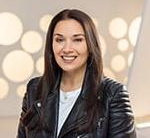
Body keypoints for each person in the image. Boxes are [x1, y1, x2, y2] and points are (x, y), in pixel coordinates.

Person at [17, 9, 136, 138]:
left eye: (77, 40)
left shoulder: (113, 94)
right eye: (59, 40)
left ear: (90, 45)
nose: (67, 49)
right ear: (51, 45)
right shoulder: (35, 89)